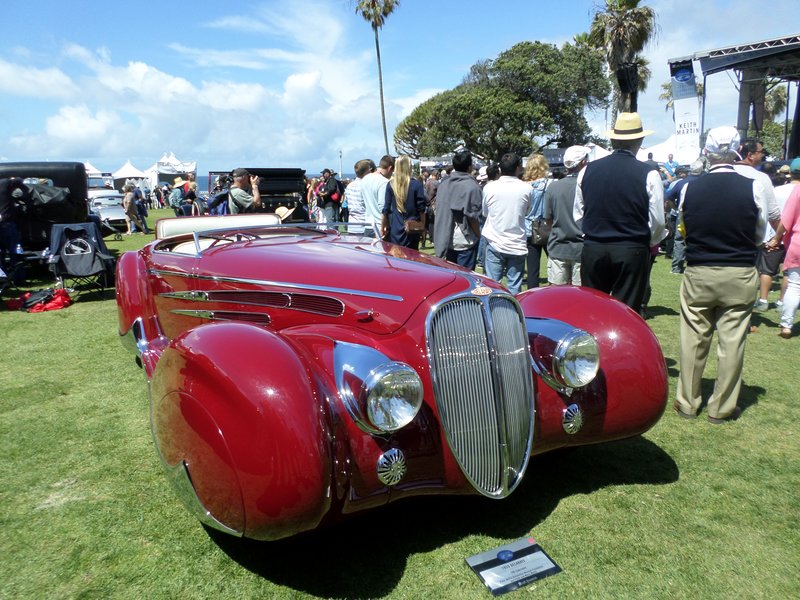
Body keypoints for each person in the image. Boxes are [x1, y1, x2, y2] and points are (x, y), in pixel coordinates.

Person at [674, 126, 767, 424]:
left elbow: (684, 227)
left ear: (707, 151)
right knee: (732, 342)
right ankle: (722, 407)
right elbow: (760, 234)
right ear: (738, 150)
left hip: (700, 271)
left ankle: (687, 403)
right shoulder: (753, 186)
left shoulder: (689, 188)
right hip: (739, 271)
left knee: (693, 339)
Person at [573, 112, 666, 311]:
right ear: (639, 141)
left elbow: (579, 214)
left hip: (594, 247)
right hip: (631, 248)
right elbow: (658, 220)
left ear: (613, 140)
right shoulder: (649, 173)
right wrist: (649, 241)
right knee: (626, 311)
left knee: (593, 309)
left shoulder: (587, 170)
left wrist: (592, 234)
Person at [734, 137, 782, 311]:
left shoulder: (724, 171)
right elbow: (773, 214)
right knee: (744, 283)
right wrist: (780, 237)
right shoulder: (761, 178)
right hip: (747, 240)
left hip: (718, 237)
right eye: (761, 152)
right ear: (750, 154)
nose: (763, 156)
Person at [481, 153, 531, 295]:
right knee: (514, 288)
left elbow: (485, 212)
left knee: (492, 286)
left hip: (495, 241)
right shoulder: (527, 188)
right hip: (517, 243)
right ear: (518, 168)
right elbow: (527, 211)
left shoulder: (489, 188)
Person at [543, 145, 588, 286]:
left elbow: (548, 220)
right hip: (582, 248)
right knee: (581, 295)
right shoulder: (588, 186)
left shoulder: (553, 187)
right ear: (583, 162)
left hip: (558, 247)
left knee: (557, 294)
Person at [433, 150, 482, 269]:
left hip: (446, 238)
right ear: (469, 167)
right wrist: (479, 235)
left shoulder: (444, 184)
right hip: (465, 240)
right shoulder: (472, 186)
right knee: (465, 277)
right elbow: (473, 217)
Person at [767, 158, 800, 338]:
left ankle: (786, 325)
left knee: (794, 286)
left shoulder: (796, 191)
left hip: (797, 242)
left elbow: (786, 221)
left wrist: (776, 238)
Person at [665, 160, 705, 274]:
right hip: (701, 214)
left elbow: (669, 198)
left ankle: (676, 268)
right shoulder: (705, 182)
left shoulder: (681, 183)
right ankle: (696, 266)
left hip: (683, 213)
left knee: (679, 240)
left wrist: (675, 208)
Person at [381, 155, 426, 250]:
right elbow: (421, 210)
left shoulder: (391, 185)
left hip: (396, 228)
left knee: (396, 256)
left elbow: (386, 210)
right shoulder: (416, 185)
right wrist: (423, 227)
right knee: (412, 257)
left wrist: (383, 228)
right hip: (412, 228)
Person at [522, 154, 551, 289]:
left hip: (529, 228)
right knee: (554, 265)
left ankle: (532, 293)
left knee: (532, 269)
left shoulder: (524, 187)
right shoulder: (549, 184)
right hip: (547, 227)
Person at [360, 155, 395, 236]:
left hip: (368, 225)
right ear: (390, 168)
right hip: (380, 226)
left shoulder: (365, 179)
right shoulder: (384, 182)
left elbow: (362, 202)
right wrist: (384, 227)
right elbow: (383, 207)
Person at [345, 159, 373, 234]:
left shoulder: (349, 186)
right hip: (364, 224)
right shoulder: (365, 185)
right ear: (367, 171)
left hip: (352, 225)